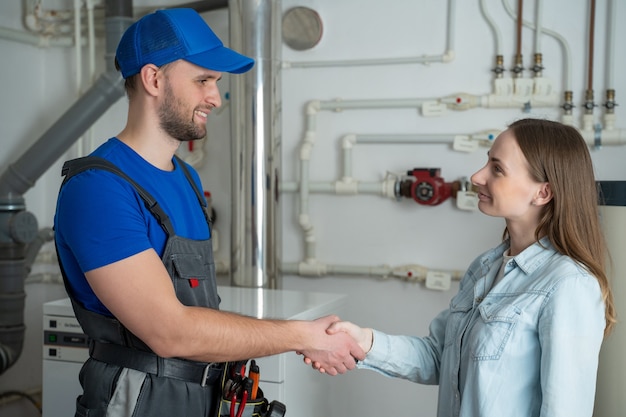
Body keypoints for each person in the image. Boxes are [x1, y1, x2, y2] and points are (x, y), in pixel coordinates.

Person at [54, 8, 364, 417]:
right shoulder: (98, 188)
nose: (216, 98)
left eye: (216, 83)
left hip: (205, 395)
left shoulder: (186, 179)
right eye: (203, 80)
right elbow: (170, 332)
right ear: (153, 79)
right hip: (137, 400)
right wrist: (301, 335)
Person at [315, 118, 616, 417]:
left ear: (542, 193)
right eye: (487, 163)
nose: (477, 176)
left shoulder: (568, 285)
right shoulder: (485, 267)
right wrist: (364, 341)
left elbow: (565, 410)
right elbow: (439, 356)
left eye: (497, 169)